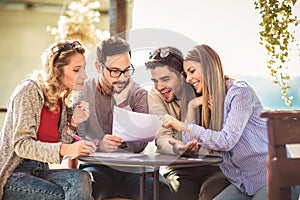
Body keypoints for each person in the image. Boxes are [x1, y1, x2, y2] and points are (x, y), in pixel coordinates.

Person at [160, 44, 271, 200]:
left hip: (270, 179)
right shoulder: (208, 101)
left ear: (209, 67)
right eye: (186, 74)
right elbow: (192, 142)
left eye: (192, 71)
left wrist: (182, 126)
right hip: (243, 184)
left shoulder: (239, 92)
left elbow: (226, 141)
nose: (189, 78)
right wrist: (191, 107)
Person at [77, 36, 171, 200]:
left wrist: (122, 103)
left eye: (126, 70)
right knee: (89, 189)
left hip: (135, 169)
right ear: (99, 67)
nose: (122, 77)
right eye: (115, 71)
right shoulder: (85, 91)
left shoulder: (139, 94)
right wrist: (100, 145)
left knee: (160, 190)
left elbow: (140, 145)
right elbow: (74, 138)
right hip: (98, 167)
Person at [0, 40, 97, 200]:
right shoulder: (29, 90)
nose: (84, 76)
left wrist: (73, 124)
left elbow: (57, 142)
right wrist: (68, 149)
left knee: (82, 178)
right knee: (62, 196)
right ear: (57, 70)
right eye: (76, 70)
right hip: (13, 173)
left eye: (84, 68)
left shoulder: (61, 99)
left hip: (39, 170)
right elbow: (21, 145)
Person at [145, 46, 229, 200]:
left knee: (212, 192)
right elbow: (162, 136)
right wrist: (177, 148)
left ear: (182, 76)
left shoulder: (200, 87)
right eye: (155, 81)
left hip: (213, 167)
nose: (159, 86)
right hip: (178, 168)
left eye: (165, 79)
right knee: (181, 194)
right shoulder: (155, 95)